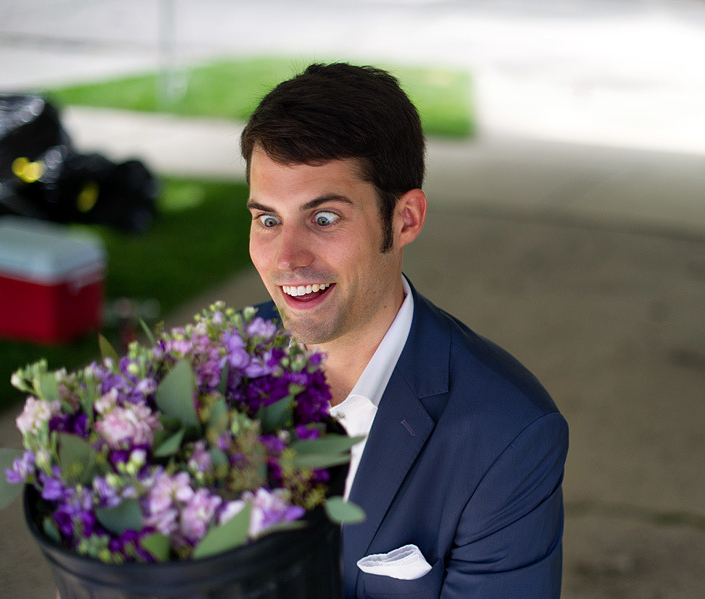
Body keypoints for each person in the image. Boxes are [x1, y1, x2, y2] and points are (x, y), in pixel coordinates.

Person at [241, 62, 568, 599]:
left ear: (406, 219)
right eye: (268, 219)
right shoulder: (211, 362)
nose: (287, 259)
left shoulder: (507, 433)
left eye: (324, 219)